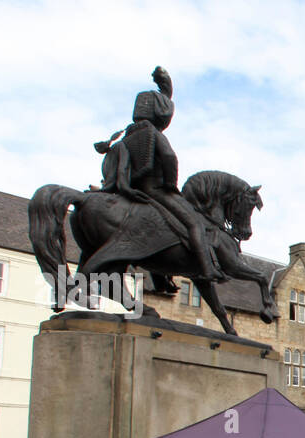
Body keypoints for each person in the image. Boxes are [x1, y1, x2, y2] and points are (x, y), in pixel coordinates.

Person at [94, 67, 225, 282]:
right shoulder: (153, 135)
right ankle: (207, 269)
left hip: (132, 189)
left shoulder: (127, 136)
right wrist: (171, 186)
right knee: (194, 224)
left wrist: (165, 86)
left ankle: (160, 278)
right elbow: (169, 158)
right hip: (156, 190)